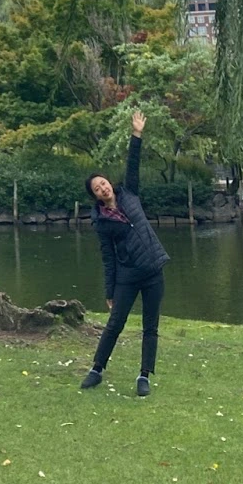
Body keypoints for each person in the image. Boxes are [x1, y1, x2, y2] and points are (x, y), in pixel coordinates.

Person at [80, 108, 169, 396]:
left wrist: (137, 134)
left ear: (109, 183)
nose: (103, 188)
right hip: (127, 276)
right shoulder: (102, 222)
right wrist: (109, 291)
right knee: (115, 323)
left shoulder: (129, 192)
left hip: (153, 270)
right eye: (97, 188)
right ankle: (97, 369)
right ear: (95, 196)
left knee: (150, 326)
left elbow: (133, 163)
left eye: (103, 183)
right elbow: (107, 257)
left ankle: (144, 376)